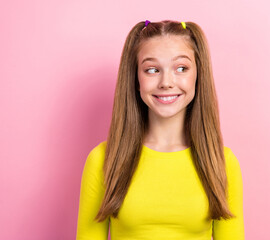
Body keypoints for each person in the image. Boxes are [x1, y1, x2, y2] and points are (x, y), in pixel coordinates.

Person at [76, 20, 245, 240]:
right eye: (152, 70)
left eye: (181, 68)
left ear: (198, 75)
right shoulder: (102, 160)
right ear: (136, 79)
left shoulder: (222, 162)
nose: (166, 82)